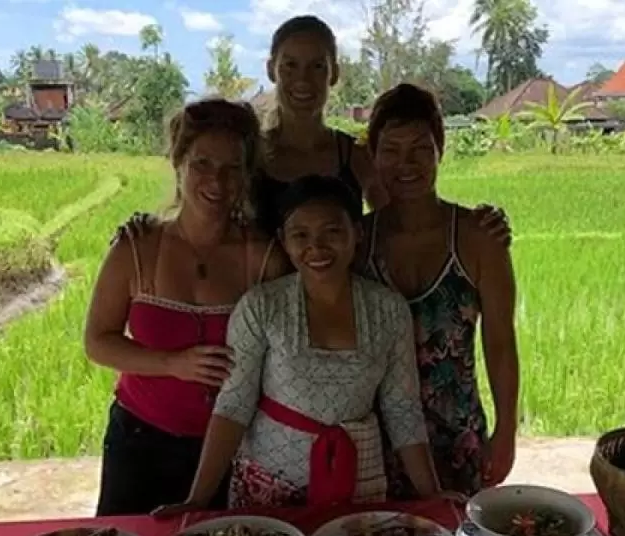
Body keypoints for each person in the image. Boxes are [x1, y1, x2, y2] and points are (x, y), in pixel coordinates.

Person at [160, 175, 444, 512]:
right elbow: (234, 404)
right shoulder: (261, 306)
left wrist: (434, 497)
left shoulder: (389, 310)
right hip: (270, 486)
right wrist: (198, 500)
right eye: (300, 235)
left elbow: (402, 410)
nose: (317, 247)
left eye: (333, 232)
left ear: (358, 233)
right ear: (283, 240)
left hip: (359, 483)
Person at [111, 15, 513, 252]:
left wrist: (474, 227)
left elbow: (404, 221)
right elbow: (201, 208)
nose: (302, 80)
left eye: (317, 66)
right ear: (272, 69)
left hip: (337, 322)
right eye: (290, 66)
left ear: (334, 72)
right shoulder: (249, 155)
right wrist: (145, 230)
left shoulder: (353, 156)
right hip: (258, 316)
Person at [84, 99, 288, 516]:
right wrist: (172, 363)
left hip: (235, 449)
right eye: (202, 164)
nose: (217, 180)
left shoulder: (264, 258)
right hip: (140, 441)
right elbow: (98, 342)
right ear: (179, 163)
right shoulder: (136, 248)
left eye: (232, 167)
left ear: (247, 174)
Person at [362, 83, 520, 496]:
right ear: (373, 155)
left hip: (458, 439)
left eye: (420, 148)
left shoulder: (478, 238)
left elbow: (501, 343)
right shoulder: (355, 241)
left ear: (440, 150)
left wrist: (505, 431)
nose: (406, 164)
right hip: (371, 442)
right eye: (391, 150)